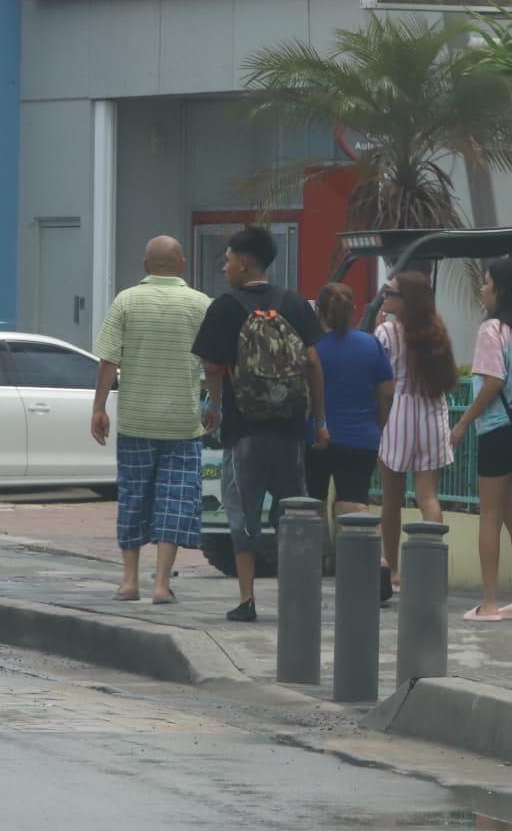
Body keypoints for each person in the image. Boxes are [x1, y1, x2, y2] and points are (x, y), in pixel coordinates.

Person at [192, 226, 326, 623]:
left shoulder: (225, 307)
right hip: (289, 431)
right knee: (293, 512)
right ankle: (296, 599)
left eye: (229, 258)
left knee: (242, 512)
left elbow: (213, 365)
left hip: (243, 428)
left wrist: (214, 404)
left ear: (245, 262)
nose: (225, 265)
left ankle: (247, 599)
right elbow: (314, 364)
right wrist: (320, 421)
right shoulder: (296, 303)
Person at [90, 236, 212, 604]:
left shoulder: (126, 300)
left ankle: (129, 581)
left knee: (133, 496)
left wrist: (99, 408)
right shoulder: (200, 304)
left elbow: (108, 361)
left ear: (146, 267)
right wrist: (216, 404)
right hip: (183, 421)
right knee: (174, 499)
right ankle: (161, 584)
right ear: (183, 263)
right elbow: (214, 364)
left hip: (136, 422)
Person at [450, 257, 512, 622]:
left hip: (496, 428)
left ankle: (490, 603)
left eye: (487, 283)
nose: (482, 289)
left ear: (502, 289)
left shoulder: (492, 330)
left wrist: (463, 422)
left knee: (490, 515)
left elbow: (492, 382)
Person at [306, 283, 395, 597]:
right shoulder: (371, 345)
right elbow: (386, 392)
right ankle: (378, 561)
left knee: (313, 501)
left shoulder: (313, 346)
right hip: (362, 436)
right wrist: (377, 425)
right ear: (354, 309)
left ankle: (317, 562)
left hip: (316, 436)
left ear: (319, 313)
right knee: (354, 500)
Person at [374, 271, 458, 589]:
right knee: (429, 498)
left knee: (391, 499)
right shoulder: (436, 330)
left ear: (404, 300)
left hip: (398, 411)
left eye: (391, 291)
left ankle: (393, 569)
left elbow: (379, 373)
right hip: (432, 412)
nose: (386, 295)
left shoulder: (387, 332)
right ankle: (432, 570)